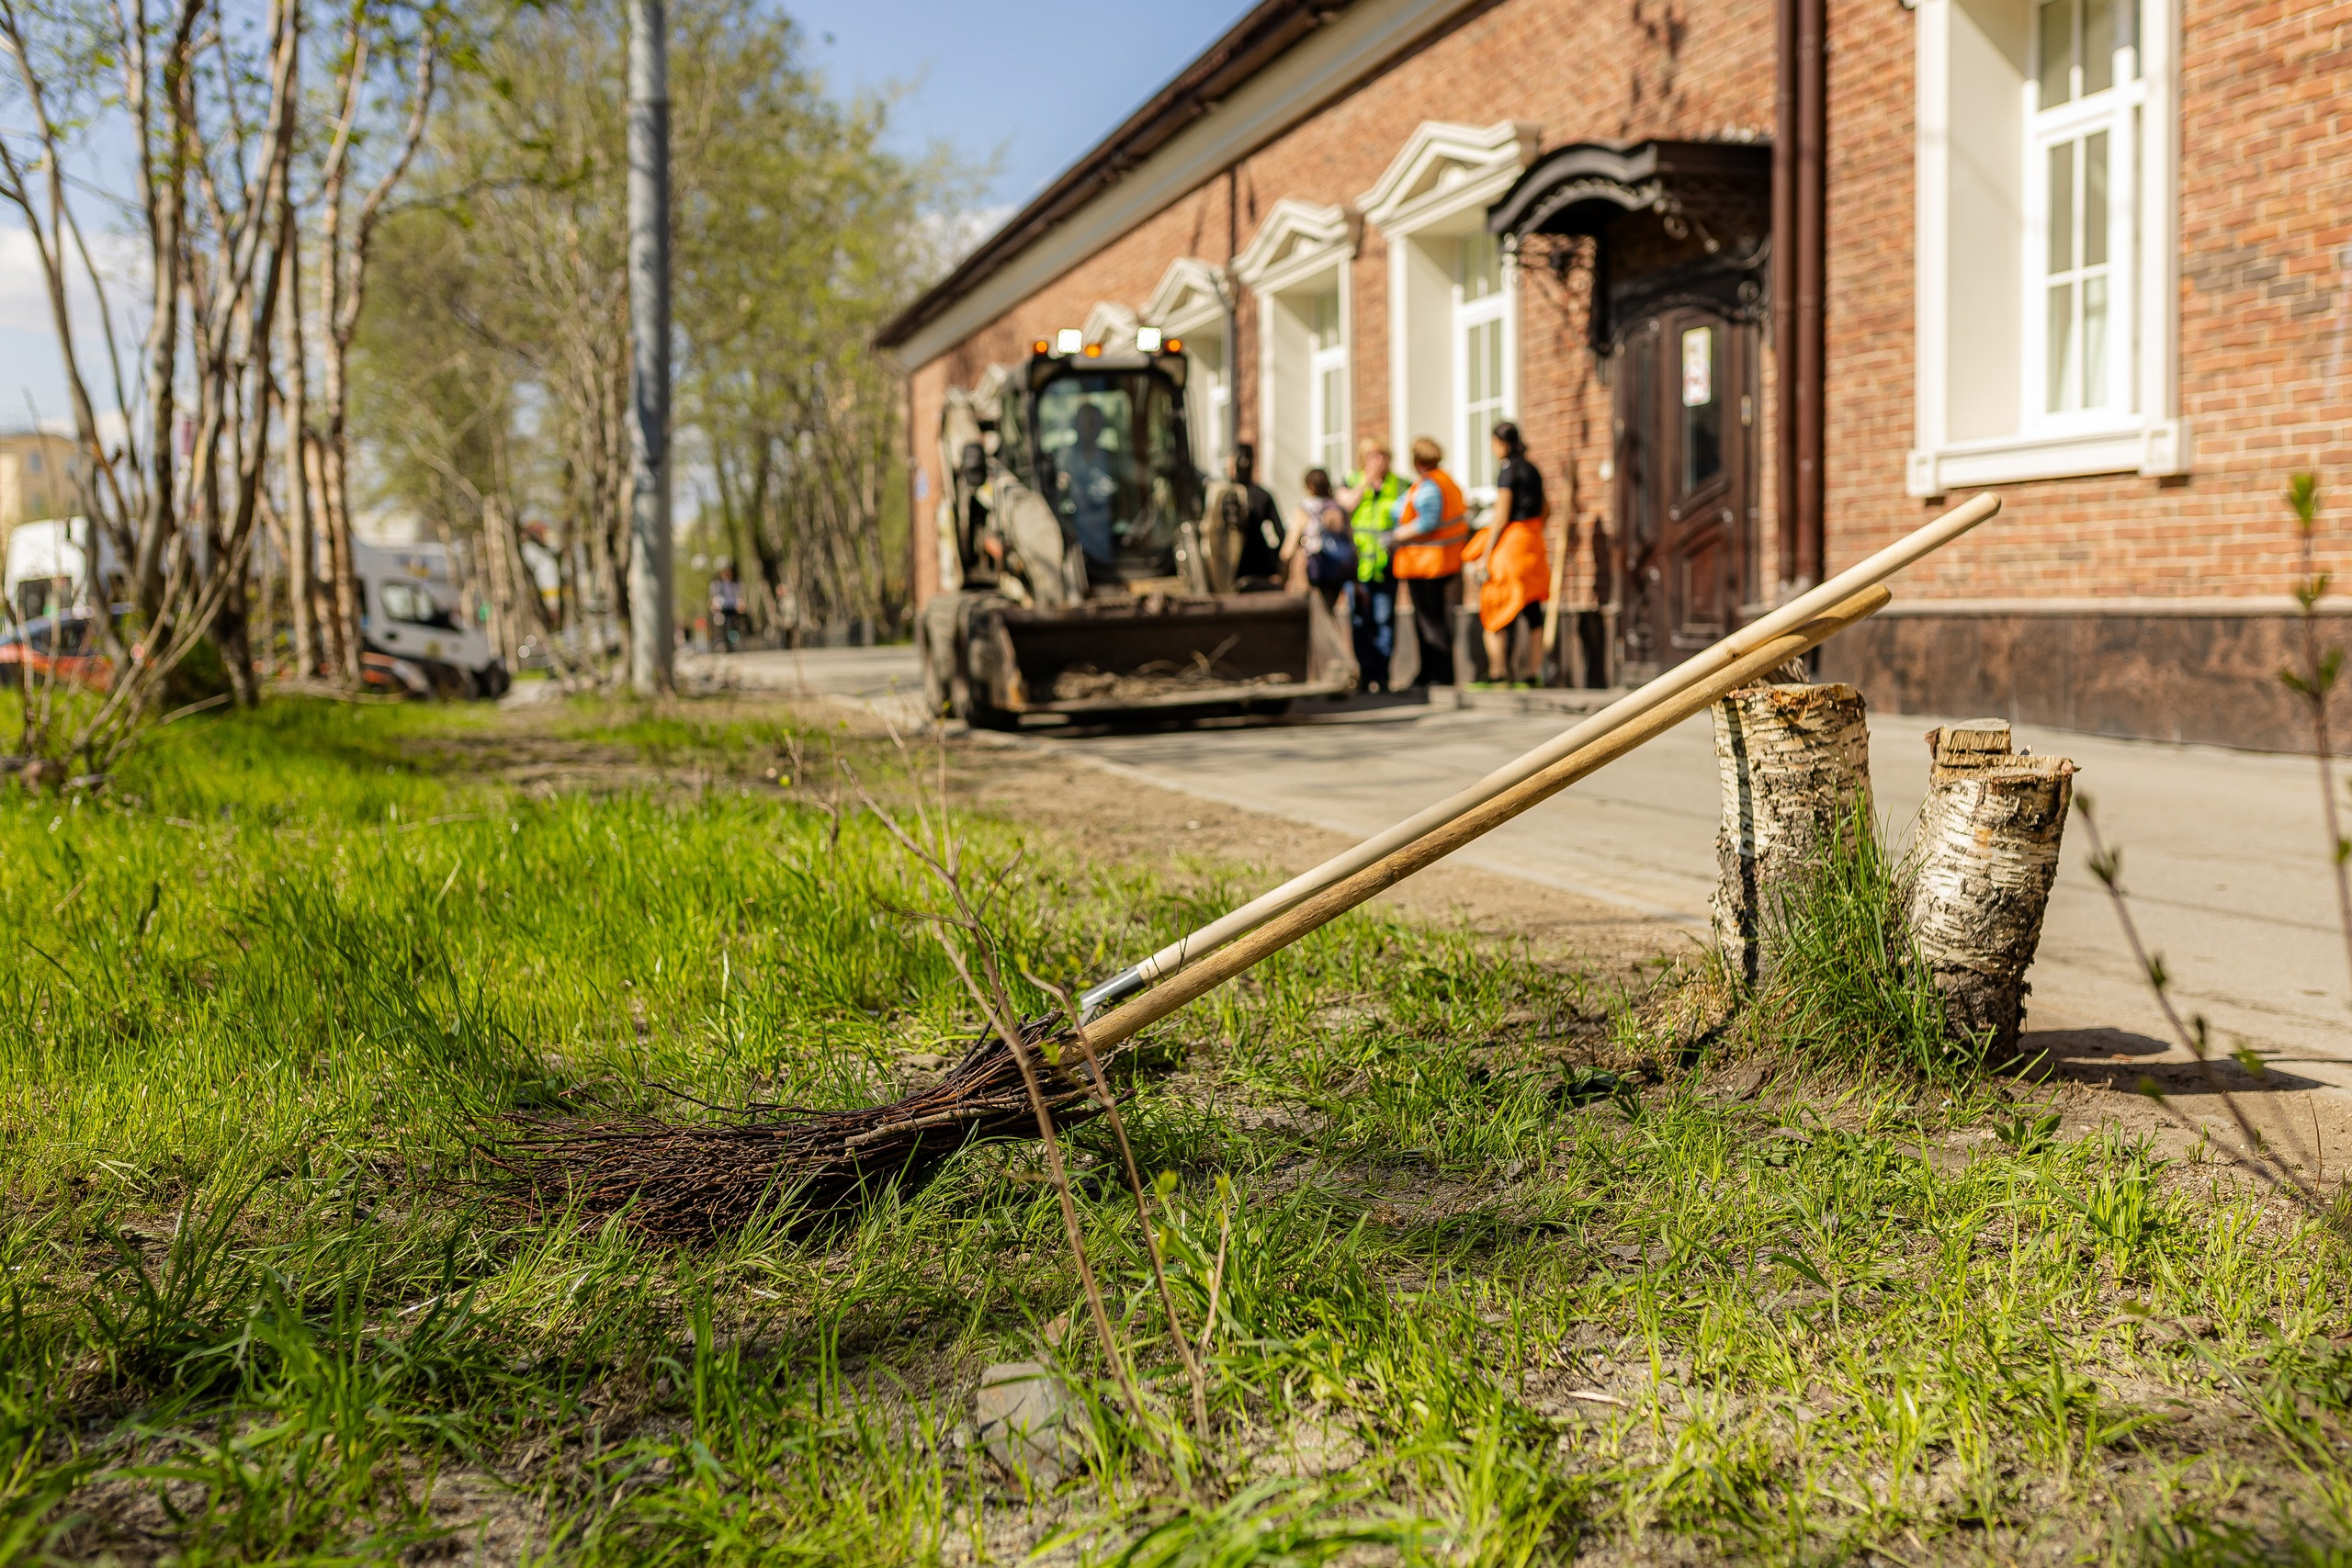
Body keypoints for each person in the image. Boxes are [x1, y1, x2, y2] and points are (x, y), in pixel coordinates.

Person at [1461, 422, 1550, 688]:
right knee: (1532, 609)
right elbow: (1547, 510)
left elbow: (1500, 517)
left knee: (1495, 606)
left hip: (1511, 547)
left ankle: (1499, 673)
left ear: (1502, 443)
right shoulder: (1534, 470)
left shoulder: (1507, 472)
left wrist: (1486, 554)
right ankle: (1534, 673)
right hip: (1533, 545)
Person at [1387, 435, 1470, 687]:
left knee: (1430, 622)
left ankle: (1438, 676)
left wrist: (1398, 534)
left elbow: (1428, 521)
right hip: (1436, 561)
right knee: (1430, 620)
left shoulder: (1431, 486)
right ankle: (1429, 673)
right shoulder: (1443, 481)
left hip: (1426, 564)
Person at [1338, 437, 1402, 691]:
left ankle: (1383, 675)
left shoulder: (1398, 484)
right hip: (1357, 566)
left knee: (1384, 619)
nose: (1378, 461)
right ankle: (1365, 674)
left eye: (1382, 455)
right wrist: (1365, 482)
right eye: (1373, 455)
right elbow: (1343, 508)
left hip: (1386, 564)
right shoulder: (1351, 481)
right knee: (1360, 621)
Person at [1282, 467, 1353, 618]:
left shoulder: (1305, 509)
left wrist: (1283, 571)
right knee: (1330, 612)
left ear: (1310, 486)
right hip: (1336, 570)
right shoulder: (1338, 508)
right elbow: (1350, 541)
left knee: (1315, 617)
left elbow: (1288, 550)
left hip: (1312, 569)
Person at [1227, 444, 1285, 590]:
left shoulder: (1225, 495)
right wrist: (1275, 562)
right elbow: (1280, 534)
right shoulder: (1263, 495)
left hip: (1233, 567)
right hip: (1262, 564)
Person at [707, 562, 745, 654]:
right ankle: (721, 642)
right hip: (721, 607)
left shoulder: (736, 583)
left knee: (734, 624)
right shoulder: (717, 584)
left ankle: (734, 642)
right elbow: (712, 597)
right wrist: (713, 605)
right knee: (720, 624)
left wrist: (741, 604)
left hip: (733, 607)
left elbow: (740, 596)